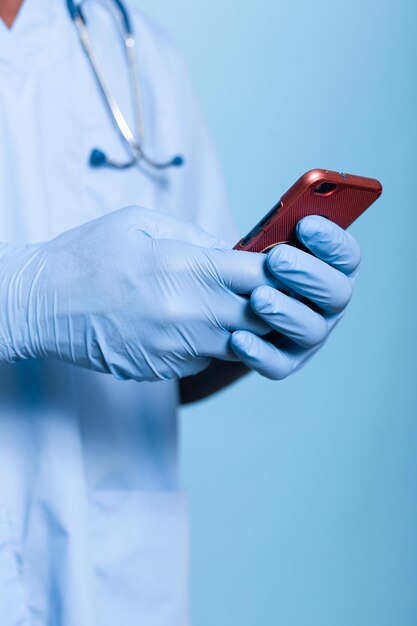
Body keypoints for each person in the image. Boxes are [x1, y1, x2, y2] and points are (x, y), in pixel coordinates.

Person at [0, 1, 361, 625]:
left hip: (116, 583)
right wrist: (22, 299)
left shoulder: (139, 54)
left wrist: (255, 318)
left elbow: (167, 351)